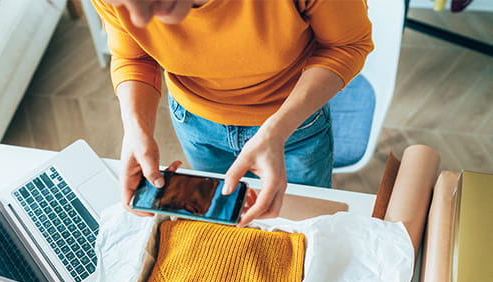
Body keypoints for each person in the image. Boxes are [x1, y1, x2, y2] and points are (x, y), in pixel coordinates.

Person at [91, 0, 374, 226]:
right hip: (194, 123)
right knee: (223, 214)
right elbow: (134, 56)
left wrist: (277, 130)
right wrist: (135, 127)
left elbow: (346, 46)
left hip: (295, 126)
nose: (139, 19)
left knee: (303, 222)